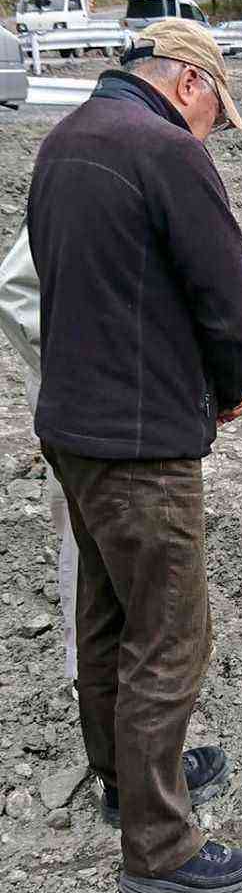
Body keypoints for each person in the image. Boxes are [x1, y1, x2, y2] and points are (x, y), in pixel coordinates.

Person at [27, 20, 242, 893]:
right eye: (214, 116)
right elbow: (229, 298)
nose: (208, 132)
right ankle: (160, 854)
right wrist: (229, 385)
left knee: (104, 618)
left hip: (73, 427)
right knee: (169, 638)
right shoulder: (163, 147)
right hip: (141, 444)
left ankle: (127, 786)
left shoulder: (66, 139)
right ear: (191, 85)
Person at [0, 226, 79, 694]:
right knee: (86, 537)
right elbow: (14, 289)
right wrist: (76, 372)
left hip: (116, 396)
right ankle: (90, 677)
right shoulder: (91, 165)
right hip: (87, 397)